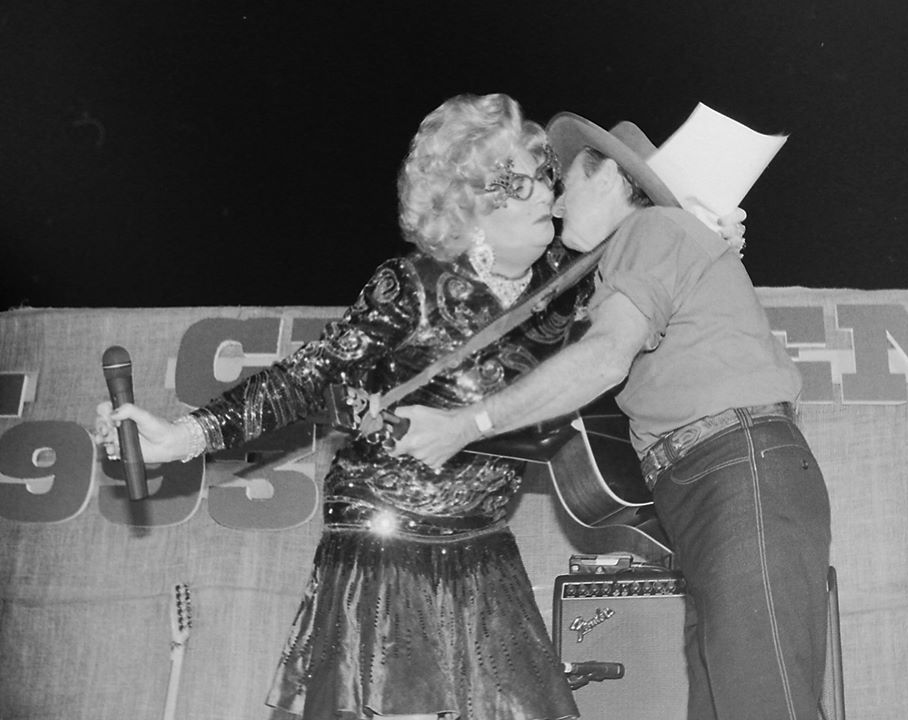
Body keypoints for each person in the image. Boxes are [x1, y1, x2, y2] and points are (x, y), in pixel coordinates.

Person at [94, 93, 592, 720]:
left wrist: (705, 243)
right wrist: (181, 436)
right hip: (387, 554)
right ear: (468, 210)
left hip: (483, 543)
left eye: (542, 173)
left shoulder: (564, 285)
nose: (543, 191)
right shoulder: (411, 287)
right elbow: (304, 377)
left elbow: (649, 269)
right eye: (516, 182)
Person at [394, 111, 832, 720]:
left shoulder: (653, 230)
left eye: (564, 182)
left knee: (761, 704)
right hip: (707, 487)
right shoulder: (624, 267)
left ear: (608, 178)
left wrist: (470, 425)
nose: (553, 202)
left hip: (738, 471)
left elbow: (602, 359)